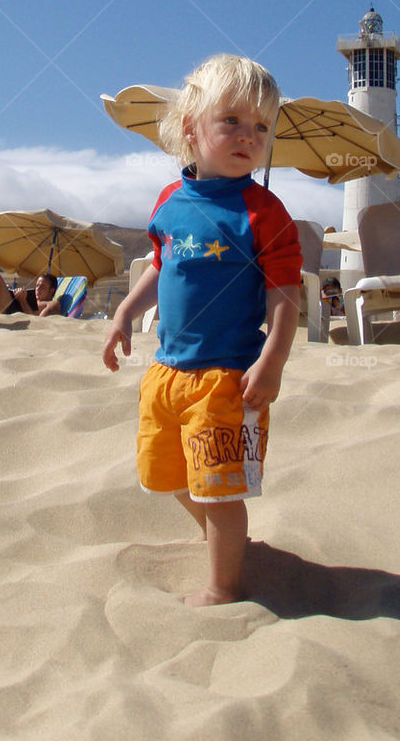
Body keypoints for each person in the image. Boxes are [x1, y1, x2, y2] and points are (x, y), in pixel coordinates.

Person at [103, 53, 302, 607]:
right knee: (167, 478)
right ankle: (225, 538)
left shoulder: (265, 212)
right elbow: (161, 268)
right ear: (191, 128)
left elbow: (286, 294)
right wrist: (123, 314)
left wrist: (273, 362)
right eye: (232, 120)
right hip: (166, 372)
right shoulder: (170, 202)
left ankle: (224, 585)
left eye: (261, 126)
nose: (248, 135)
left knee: (218, 491)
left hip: (226, 378)